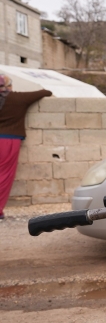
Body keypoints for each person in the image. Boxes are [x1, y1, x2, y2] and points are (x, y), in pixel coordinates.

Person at [0, 76, 52, 219]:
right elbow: (45, 92)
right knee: (4, 175)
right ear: (9, 85)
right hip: (8, 140)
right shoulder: (18, 98)